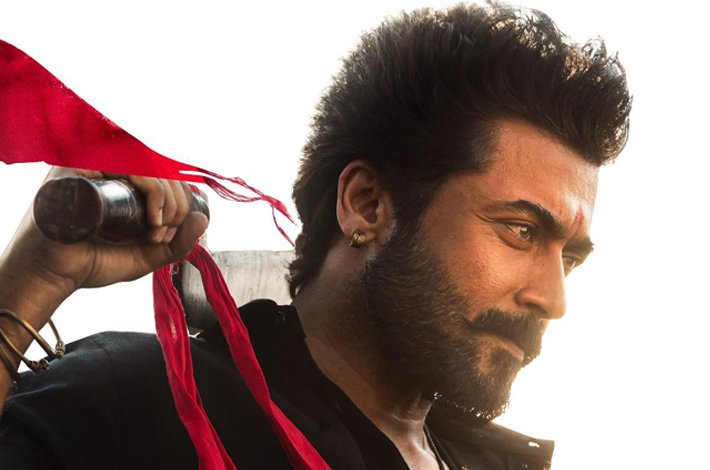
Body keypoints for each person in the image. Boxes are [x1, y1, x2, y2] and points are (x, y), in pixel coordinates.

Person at [0, 2, 630, 469]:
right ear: (366, 205)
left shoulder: (491, 461)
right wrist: (31, 282)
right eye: (521, 230)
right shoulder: (139, 406)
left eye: (570, 258)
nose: (552, 299)